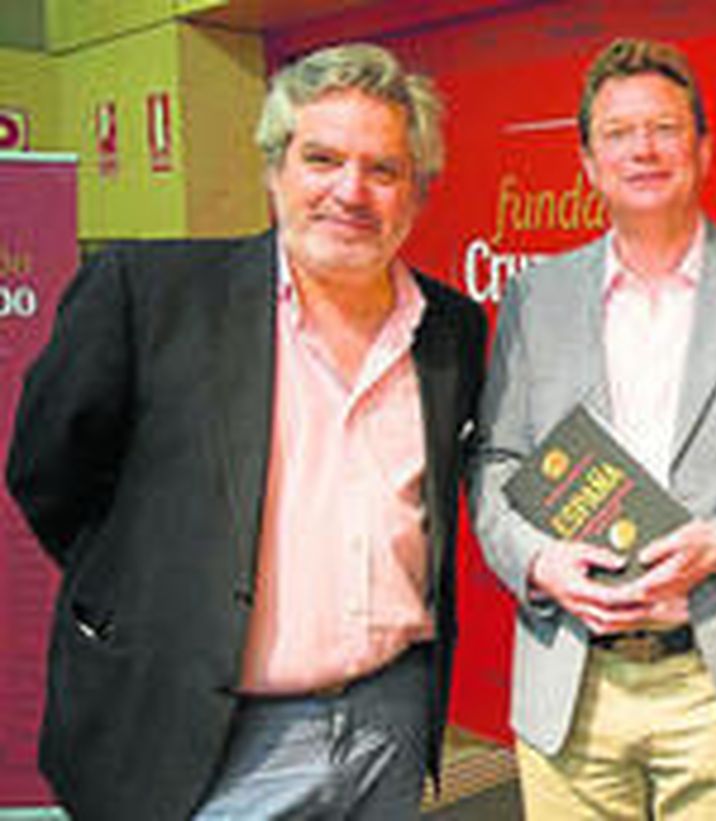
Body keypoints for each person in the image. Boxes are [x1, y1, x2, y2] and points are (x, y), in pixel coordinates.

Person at [5, 43, 485, 820]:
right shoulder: (149, 295)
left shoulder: (451, 328)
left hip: (388, 721)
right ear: (275, 171)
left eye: (383, 169)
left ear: (417, 194)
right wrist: (162, 596)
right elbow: (49, 475)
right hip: (208, 733)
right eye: (322, 158)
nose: (350, 192)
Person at [471, 37, 716, 819]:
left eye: (664, 128)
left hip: (715, 676)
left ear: (704, 149)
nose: (643, 149)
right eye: (618, 133)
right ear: (588, 162)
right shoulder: (535, 296)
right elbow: (495, 461)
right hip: (570, 676)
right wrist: (540, 562)